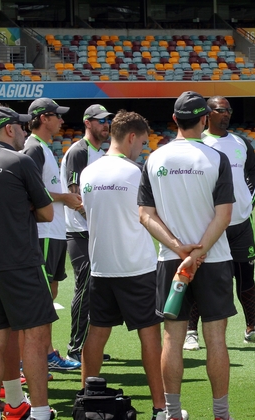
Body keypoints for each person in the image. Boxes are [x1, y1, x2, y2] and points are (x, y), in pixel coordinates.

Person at [138, 91, 236, 420]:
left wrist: (180, 248)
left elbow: (145, 215)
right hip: (214, 258)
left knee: (173, 338)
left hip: (171, 260)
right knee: (215, 339)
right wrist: (198, 253)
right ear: (205, 119)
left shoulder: (154, 158)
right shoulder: (215, 158)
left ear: (175, 120)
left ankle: (173, 413)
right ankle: (220, 414)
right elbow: (224, 216)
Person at [79, 110, 172, 419]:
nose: (142, 148)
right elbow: (153, 217)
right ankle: (160, 408)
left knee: (96, 334)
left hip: (101, 266)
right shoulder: (136, 173)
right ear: (131, 137)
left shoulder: (88, 173)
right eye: (143, 142)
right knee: (150, 337)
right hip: (137, 267)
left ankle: (86, 400)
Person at [0, 106, 58, 420]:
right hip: (20, 261)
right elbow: (47, 213)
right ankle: (41, 412)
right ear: (9, 129)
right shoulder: (20, 161)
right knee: (34, 336)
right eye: (20, 128)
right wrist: (26, 208)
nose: (24, 133)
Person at [183, 95, 255, 351]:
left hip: (240, 224)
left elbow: (253, 172)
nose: (227, 114)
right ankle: (192, 331)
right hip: (210, 226)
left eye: (229, 110)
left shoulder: (240, 143)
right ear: (207, 114)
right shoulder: (199, 144)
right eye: (221, 110)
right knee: (202, 278)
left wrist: (249, 201)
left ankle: (252, 328)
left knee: (247, 277)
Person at [24, 97, 83, 371]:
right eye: (57, 116)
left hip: (54, 232)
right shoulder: (33, 148)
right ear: (43, 118)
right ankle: (39, 355)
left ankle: (45, 353)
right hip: (44, 232)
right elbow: (29, 190)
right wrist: (65, 198)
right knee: (42, 297)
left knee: (51, 292)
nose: (61, 120)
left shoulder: (44, 148)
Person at [61, 104, 112, 363]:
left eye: (108, 120)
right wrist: (97, 221)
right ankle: (76, 348)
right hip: (80, 232)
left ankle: (91, 346)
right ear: (87, 123)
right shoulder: (78, 152)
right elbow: (75, 195)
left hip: (95, 231)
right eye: (101, 120)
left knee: (98, 289)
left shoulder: (100, 153)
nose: (106, 124)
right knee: (86, 287)